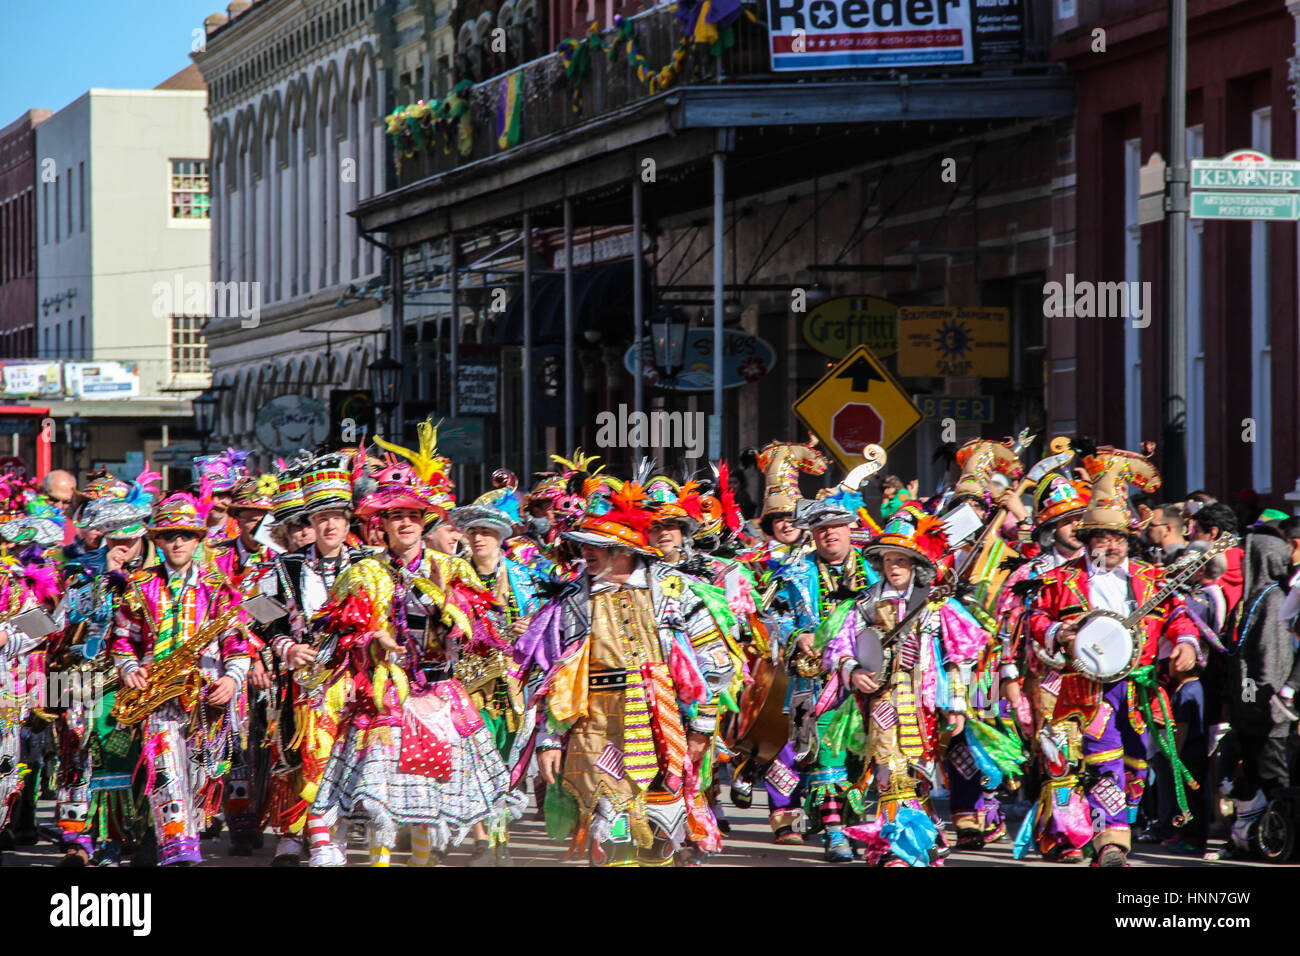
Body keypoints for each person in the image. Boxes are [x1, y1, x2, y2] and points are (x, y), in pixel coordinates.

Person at [311, 427, 526, 867]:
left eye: (412, 514)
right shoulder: (362, 573)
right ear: (382, 524)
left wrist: (456, 626)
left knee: (428, 788)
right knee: (381, 794)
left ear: (423, 520)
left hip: (441, 695)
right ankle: (381, 862)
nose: (405, 523)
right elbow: (337, 635)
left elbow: (483, 636)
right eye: (395, 516)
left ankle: (423, 862)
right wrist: (373, 639)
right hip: (385, 696)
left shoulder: (450, 570)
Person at [514, 482, 736, 866]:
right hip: (593, 725)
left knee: (661, 828)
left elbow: (715, 661)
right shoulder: (571, 602)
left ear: (623, 551)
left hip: (661, 725)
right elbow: (550, 676)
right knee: (609, 825)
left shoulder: (673, 590)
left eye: (595, 546)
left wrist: (702, 726)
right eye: (583, 545)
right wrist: (550, 740)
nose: (584, 553)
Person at [1024, 446, 1200, 867]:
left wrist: (1187, 642)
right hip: (1085, 686)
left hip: (1139, 686)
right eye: (1103, 536)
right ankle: (1111, 841)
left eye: (1119, 536)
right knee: (1103, 757)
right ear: (1087, 539)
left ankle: (1113, 825)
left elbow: (1178, 614)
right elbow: (1035, 619)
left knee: (1138, 762)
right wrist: (1055, 631)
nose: (1112, 544)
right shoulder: (1060, 580)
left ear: (1128, 539)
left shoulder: (1149, 577)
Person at [110, 493, 250, 866]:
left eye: (186, 535)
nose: (177, 542)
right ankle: (179, 854)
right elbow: (123, 640)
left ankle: (189, 842)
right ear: (157, 540)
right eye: (170, 535)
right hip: (158, 696)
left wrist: (233, 680)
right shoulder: (140, 586)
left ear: (197, 540)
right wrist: (130, 668)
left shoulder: (217, 586)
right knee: (167, 776)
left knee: (201, 780)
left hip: (206, 699)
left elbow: (237, 643)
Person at [257, 452, 373, 866]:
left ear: (348, 522)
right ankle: (309, 838)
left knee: (346, 758)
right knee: (305, 755)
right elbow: (259, 616)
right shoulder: (286, 567)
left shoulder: (368, 565)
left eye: (337, 516)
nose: (328, 525)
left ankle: (332, 836)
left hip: (354, 678)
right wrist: (287, 646)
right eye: (320, 517)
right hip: (303, 681)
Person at [50, 468, 158, 866]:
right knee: (76, 754)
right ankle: (80, 841)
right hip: (77, 674)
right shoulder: (76, 568)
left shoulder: (154, 572)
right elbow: (64, 622)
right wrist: (102, 577)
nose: (107, 534)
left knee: (133, 754)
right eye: (96, 518)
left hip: (130, 677)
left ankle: (137, 836)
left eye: (122, 531)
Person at [1224, 532, 1295, 802]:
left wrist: (1256, 699)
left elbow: (1269, 655)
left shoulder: (1274, 599)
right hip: (1249, 707)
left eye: (1246, 556)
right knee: (1252, 775)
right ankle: (1252, 839)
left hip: (1265, 711)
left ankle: (1284, 835)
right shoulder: (1254, 596)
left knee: (1271, 776)